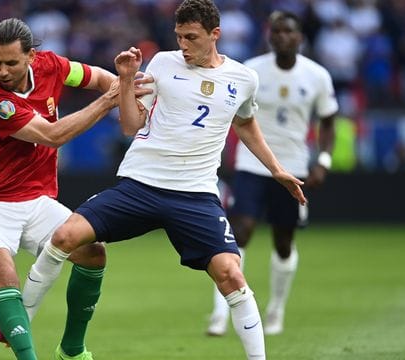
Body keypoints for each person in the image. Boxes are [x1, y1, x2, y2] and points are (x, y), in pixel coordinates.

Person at [25, 1, 307, 359]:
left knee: (232, 276)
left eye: (191, 37)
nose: (183, 45)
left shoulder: (243, 79)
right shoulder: (161, 63)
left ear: (214, 35)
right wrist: (126, 79)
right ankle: (17, 326)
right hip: (140, 185)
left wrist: (276, 168)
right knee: (65, 236)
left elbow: (246, 122)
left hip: (195, 196)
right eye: (179, 37)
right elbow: (130, 125)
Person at [0, 18, 151, 360]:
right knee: (4, 275)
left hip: (34, 197)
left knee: (93, 252)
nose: (2, 70)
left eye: (11, 62)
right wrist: (109, 102)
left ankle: (72, 350)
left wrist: (124, 90)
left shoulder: (52, 65)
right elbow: (53, 136)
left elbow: (97, 77)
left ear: (31, 56)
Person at [206, 10, 338, 337]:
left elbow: (328, 122)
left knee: (283, 241)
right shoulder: (252, 70)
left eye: (288, 32)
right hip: (253, 164)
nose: (281, 36)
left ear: (300, 38)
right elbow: (232, 113)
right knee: (241, 232)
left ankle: (276, 309)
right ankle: (220, 314)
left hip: (292, 168)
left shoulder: (317, 76)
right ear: (269, 37)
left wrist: (322, 161)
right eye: (276, 31)